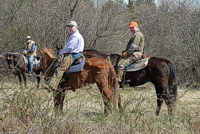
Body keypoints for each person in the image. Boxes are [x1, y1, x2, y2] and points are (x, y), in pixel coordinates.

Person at [43, 21, 84, 92]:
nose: (70, 28)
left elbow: (69, 48)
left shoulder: (75, 36)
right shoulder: (73, 35)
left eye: (72, 27)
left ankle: (52, 86)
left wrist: (61, 53)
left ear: (76, 27)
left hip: (74, 54)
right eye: (69, 27)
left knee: (61, 68)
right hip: (73, 53)